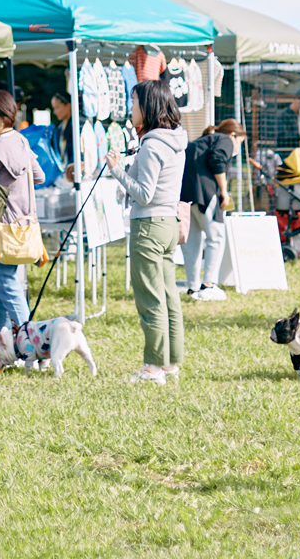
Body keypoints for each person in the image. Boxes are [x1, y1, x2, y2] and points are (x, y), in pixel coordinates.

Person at [108, 78, 186, 384]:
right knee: (168, 298)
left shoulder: (152, 144)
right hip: (168, 224)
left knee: (150, 299)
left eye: (134, 103)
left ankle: (153, 368)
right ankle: (170, 363)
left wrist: (117, 170)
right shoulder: (175, 139)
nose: (131, 109)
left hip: (149, 226)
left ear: (148, 106)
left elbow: (143, 193)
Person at [0, 89, 45, 334]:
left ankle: (31, 340)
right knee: (4, 284)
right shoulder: (20, 140)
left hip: (0, 226)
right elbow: (39, 176)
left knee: (5, 285)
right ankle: (6, 344)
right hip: (22, 225)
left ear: (3, 116)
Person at [180, 121, 238, 301]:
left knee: (191, 242)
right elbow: (217, 158)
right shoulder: (225, 140)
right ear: (234, 135)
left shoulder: (202, 140)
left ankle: (192, 287)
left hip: (186, 194)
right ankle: (209, 284)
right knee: (216, 237)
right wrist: (223, 190)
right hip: (207, 193)